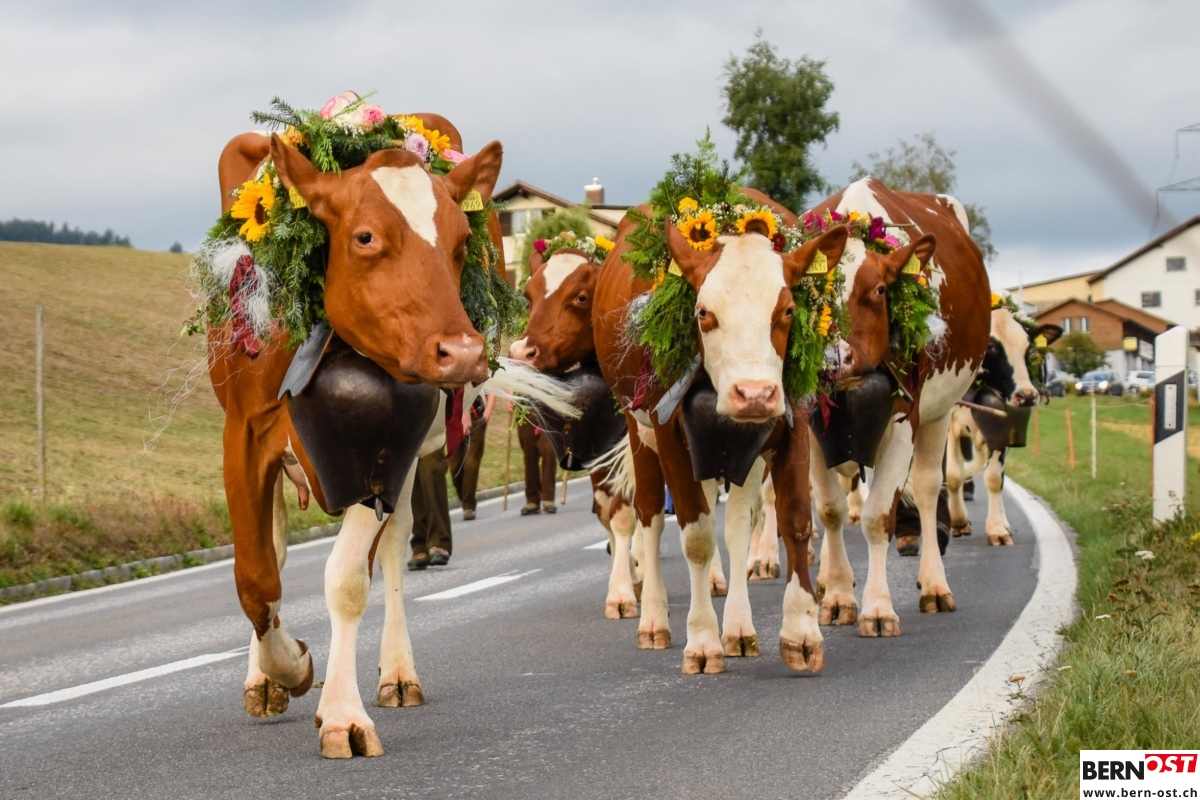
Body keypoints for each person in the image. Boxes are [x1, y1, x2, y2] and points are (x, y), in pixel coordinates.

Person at [449, 390, 495, 521]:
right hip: (454, 416)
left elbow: (492, 387)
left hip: (477, 414)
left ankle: (469, 505)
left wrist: (489, 409)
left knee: (471, 462)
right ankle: (464, 497)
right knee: (454, 466)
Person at [517, 416, 558, 515]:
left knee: (549, 450)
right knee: (529, 454)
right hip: (525, 411)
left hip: (548, 412)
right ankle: (532, 499)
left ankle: (548, 498)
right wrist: (509, 405)